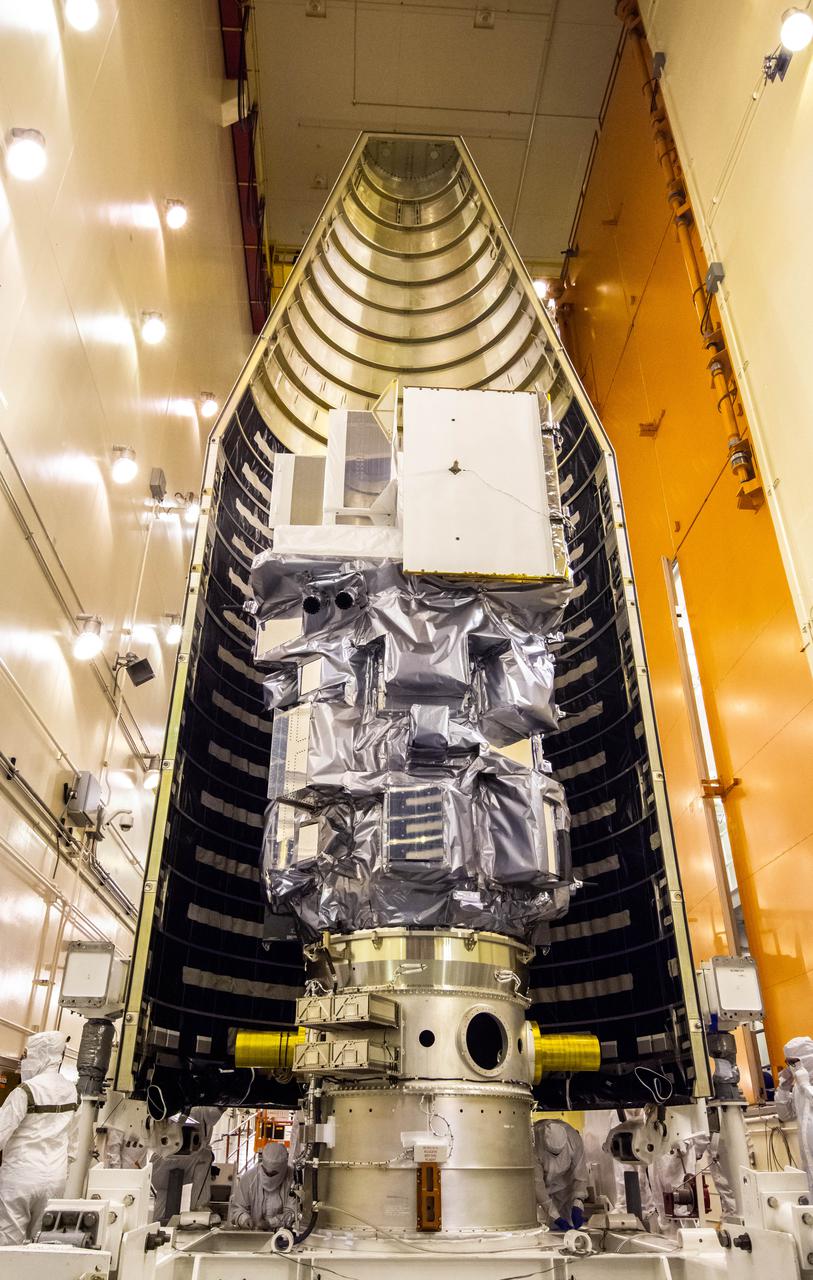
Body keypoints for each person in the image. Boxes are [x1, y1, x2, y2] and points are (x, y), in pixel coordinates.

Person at [0, 1030, 79, 1245]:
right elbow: (73, 1145)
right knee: (43, 1243)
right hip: (55, 1180)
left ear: (40, 1054)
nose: (24, 1061)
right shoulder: (73, 1092)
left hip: (20, 1178)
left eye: (27, 1055)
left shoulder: (25, 1091)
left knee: (8, 1244)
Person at [150, 1106, 222, 1223]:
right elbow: (213, 1115)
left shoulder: (177, 1107)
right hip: (170, 1161)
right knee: (206, 1156)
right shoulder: (199, 1108)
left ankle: (157, 1225)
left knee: (162, 1204)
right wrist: (223, 1106)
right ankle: (199, 1207)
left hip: (159, 1165)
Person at [532, 1118, 588, 1231]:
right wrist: (554, 1215)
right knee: (541, 1226)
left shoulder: (574, 1139)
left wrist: (578, 1202)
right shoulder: (533, 1143)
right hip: (541, 1188)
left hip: (564, 1186)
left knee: (566, 1226)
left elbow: (580, 1174)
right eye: (552, 1153)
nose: (556, 1157)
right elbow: (537, 1184)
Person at [776, 1035, 813, 1193]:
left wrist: (805, 1085)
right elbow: (785, 1115)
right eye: (788, 1063)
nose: (791, 1067)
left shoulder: (804, 1086)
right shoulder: (798, 1088)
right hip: (808, 1158)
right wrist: (783, 1089)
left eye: (793, 1062)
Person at [228, 1142, 294, 1231]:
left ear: (283, 1169)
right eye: (265, 1172)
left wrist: (271, 1223)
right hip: (253, 1234)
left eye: (273, 1174)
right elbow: (237, 1208)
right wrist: (245, 1219)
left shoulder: (293, 1179)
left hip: (284, 1234)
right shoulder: (249, 1178)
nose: (269, 1177)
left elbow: (293, 1213)